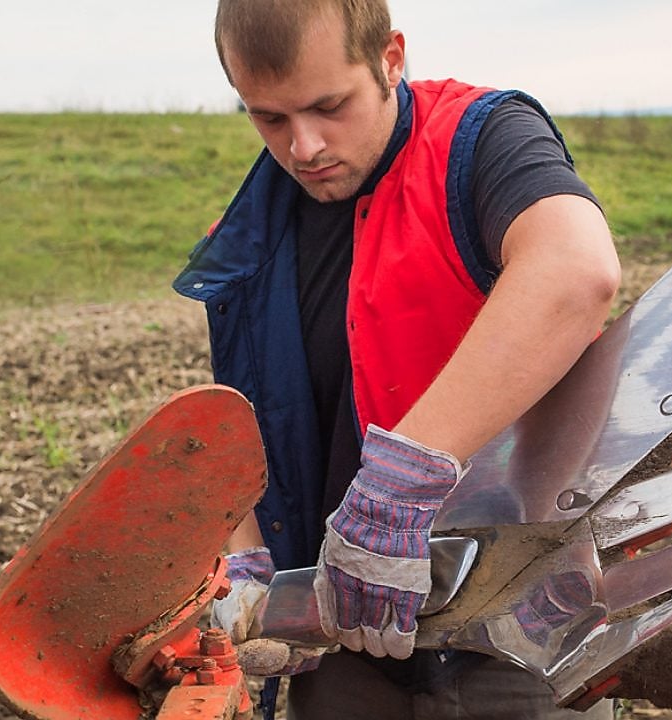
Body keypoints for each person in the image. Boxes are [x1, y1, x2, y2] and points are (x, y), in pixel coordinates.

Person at [174, 1, 621, 718]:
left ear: (390, 58)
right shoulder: (255, 231)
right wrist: (247, 564)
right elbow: (256, 409)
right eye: (270, 118)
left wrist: (402, 480)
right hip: (344, 635)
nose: (305, 147)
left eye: (329, 106)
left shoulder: (481, 142)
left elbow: (576, 270)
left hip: (519, 627)